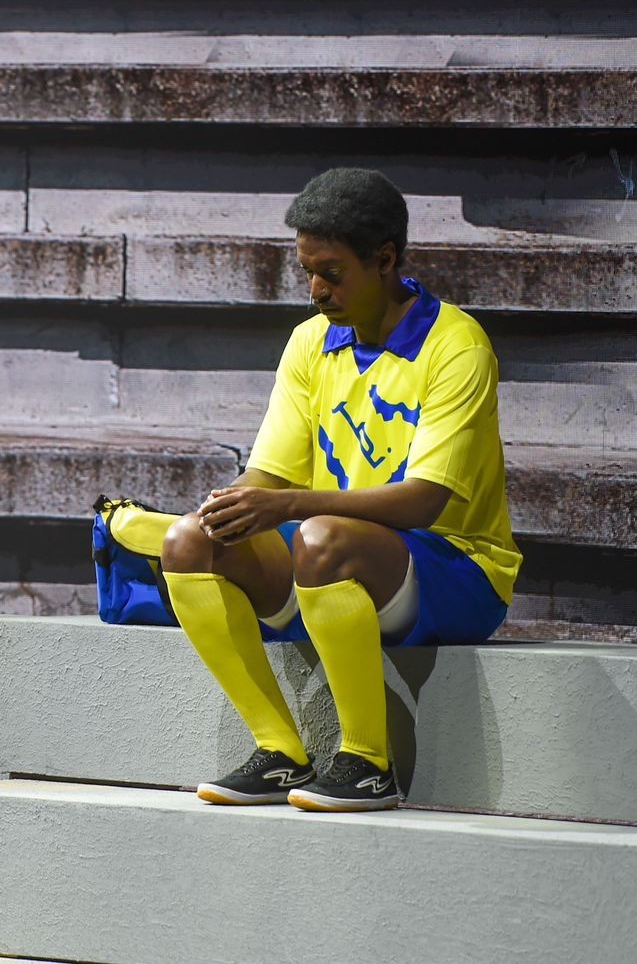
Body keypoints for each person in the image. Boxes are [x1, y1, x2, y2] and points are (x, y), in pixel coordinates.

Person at [162, 168, 520, 812]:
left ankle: (366, 764)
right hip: (330, 561)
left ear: (384, 260)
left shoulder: (456, 346)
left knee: (321, 537)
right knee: (190, 542)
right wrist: (229, 508)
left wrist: (289, 505)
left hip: (458, 572)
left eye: (331, 272)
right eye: (306, 271)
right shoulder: (310, 342)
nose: (315, 290)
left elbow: (422, 502)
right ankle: (279, 751)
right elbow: (269, 474)